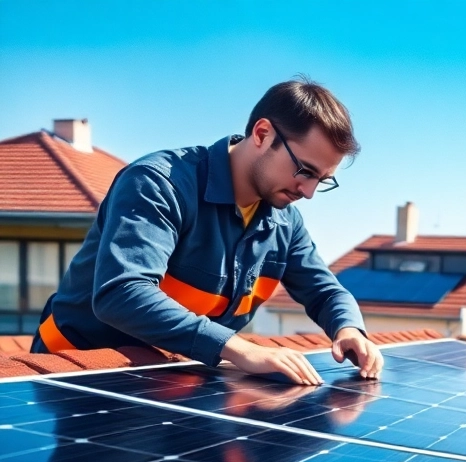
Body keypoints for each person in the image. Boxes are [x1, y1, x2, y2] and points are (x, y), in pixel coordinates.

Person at [31, 77, 383, 384]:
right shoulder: (159, 184)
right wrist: (237, 349)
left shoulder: (284, 221)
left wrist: (348, 329)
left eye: (322, 180)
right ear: (262, 134)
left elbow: (325, 291)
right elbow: (122, 293)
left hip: (166, 377)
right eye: (305, 170)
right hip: (77, 374)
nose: (307, 192)